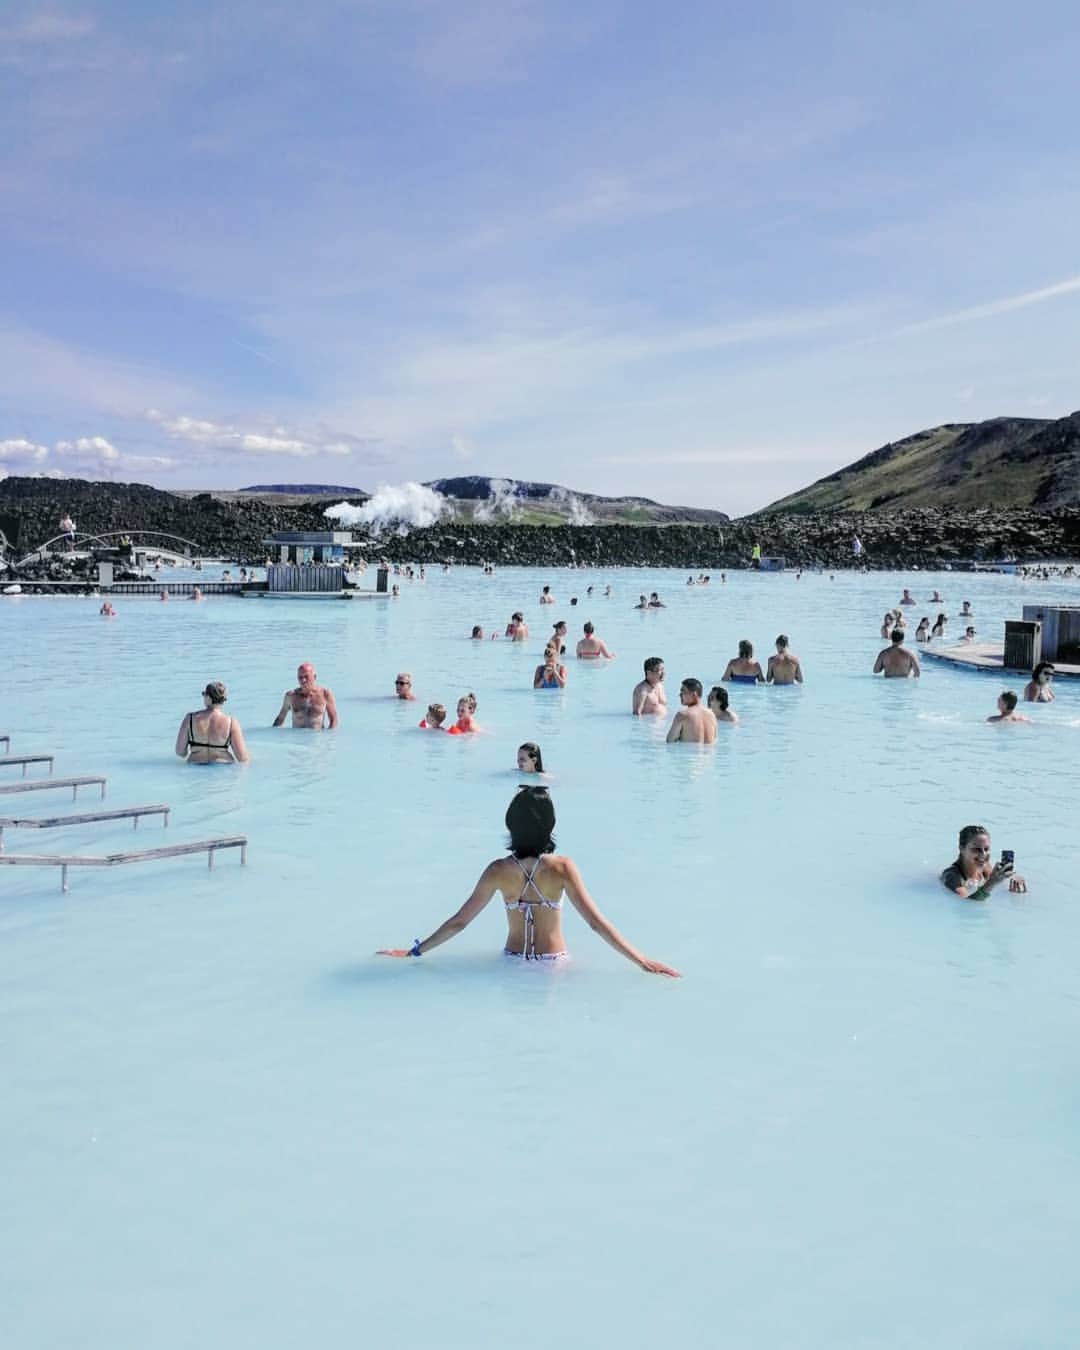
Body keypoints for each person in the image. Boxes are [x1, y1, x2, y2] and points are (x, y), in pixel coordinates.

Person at [377, 787, 679, 974]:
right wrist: (642, 961)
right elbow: (596, 924)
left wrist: (414, 952)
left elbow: (460, 922)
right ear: (549, 826)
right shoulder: (563, 868)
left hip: (510, 963)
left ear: (512, 825)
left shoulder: (497, 870)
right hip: (554, 965)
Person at [941, 824, 1026, 899]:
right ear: (961, 849)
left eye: (986, 849)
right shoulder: (952, 877)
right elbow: (968, 903)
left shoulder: (984, 866)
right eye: (976, 849)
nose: (983, 854)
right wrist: (992, 882)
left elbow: (996, 886)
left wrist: (1012, 888)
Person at [174, 681, 249, 764]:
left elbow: (180, 752)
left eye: (204, 694)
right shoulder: (231, 722)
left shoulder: (190, 719)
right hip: (223, 767)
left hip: (195, 766)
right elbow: (242, 757)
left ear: (208, 698)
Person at [273, 662, 339, 729]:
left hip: (317, 736)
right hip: (297, 737)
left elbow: (333, 720)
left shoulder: (325, 694)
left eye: (306, 677)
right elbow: (280, 718)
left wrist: (330, 738)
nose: (303, 680)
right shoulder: (291, 696)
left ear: (314, 677)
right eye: (300, 677)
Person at [666, 678, 717, 744]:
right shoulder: (712, 715)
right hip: (709, 753)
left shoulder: (682, 715)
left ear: (694, 694)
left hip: (689, 753)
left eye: (683, 691)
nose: (680, 695)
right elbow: (714, 739)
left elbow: (670, 741)